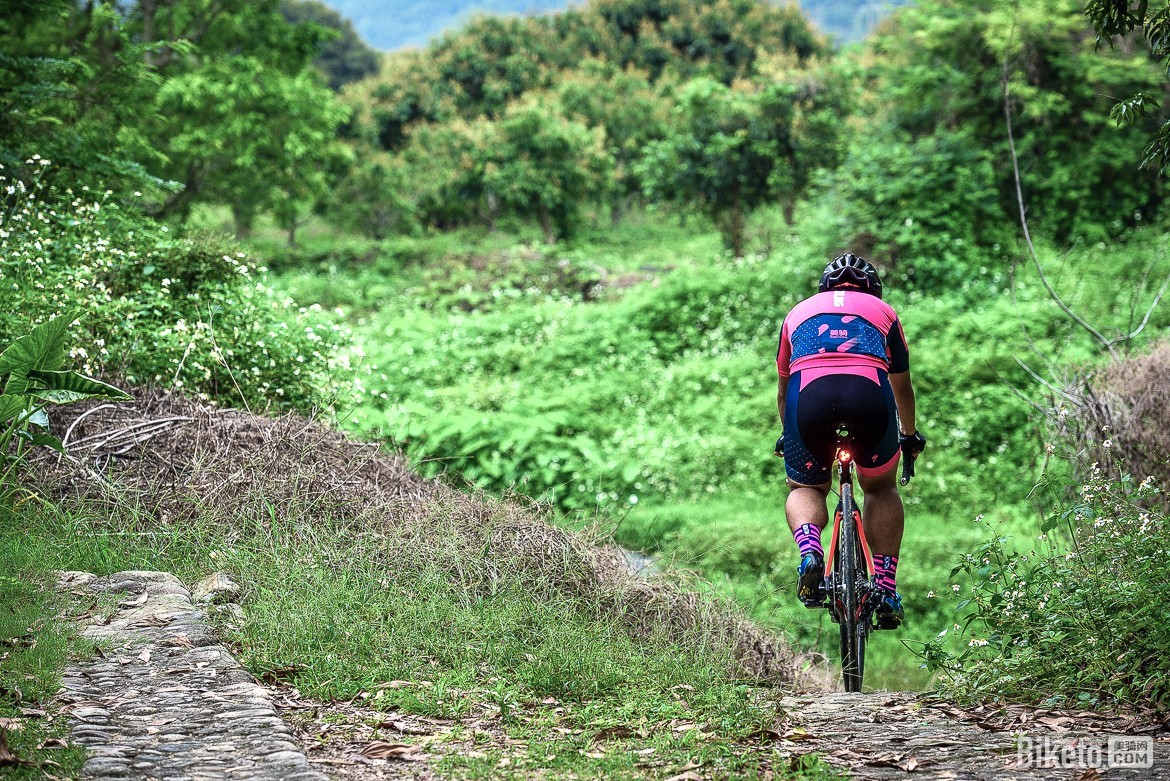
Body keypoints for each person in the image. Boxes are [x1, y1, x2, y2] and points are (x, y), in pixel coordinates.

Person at [773, 253, 926, 629]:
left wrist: (788, 433)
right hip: (869, 397)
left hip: (807, 399)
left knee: (806, 485)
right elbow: (901, 385)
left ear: (824, 288)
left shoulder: (797, 313)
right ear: (872, 288)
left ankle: (810, 551)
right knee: (879, 488)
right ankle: (886, 588)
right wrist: (908, 434)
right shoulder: (883, 311)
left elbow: (782, 388)